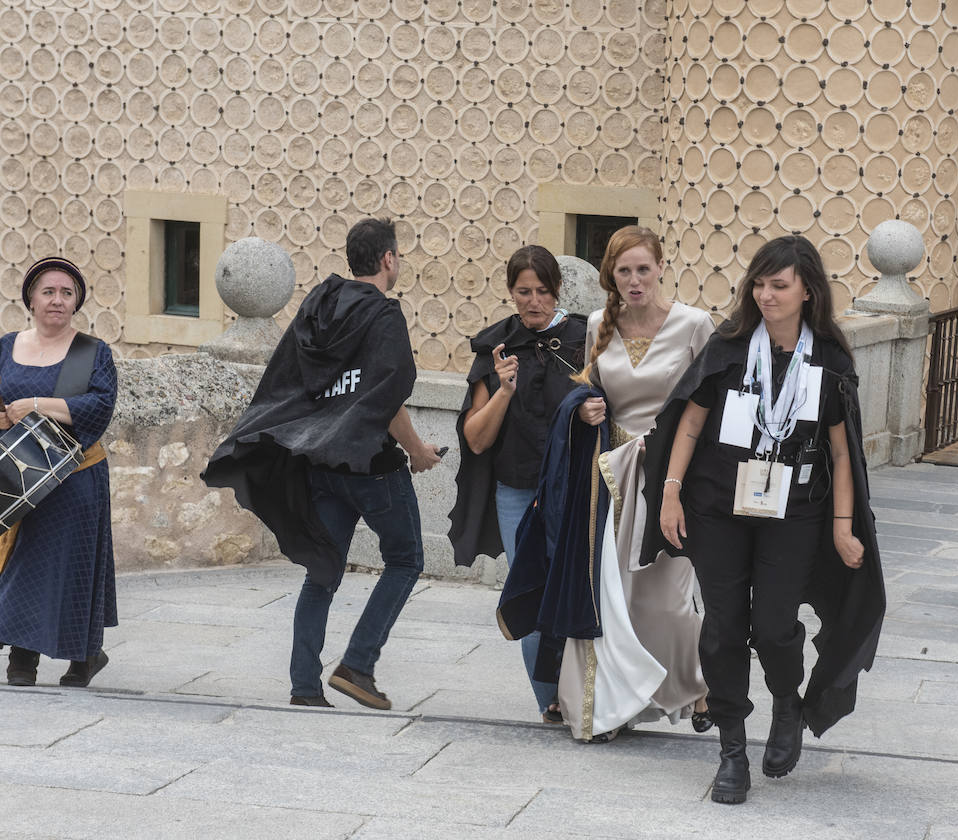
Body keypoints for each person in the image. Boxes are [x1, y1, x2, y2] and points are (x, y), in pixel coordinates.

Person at [644, 235, 887, 804]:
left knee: (775, 624)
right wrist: (671, 494)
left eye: (779, 285)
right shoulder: (728, 347)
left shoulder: (828, 359)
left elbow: (844, 451)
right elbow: (688, 423)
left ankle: (786, 701)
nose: (766, 294)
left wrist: (843, 526)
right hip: (716, 507)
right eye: (760, 283)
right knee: (723, 625)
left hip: (795, 511)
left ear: (808, 291)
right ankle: (732, 748)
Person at [203, 219, 442, 709]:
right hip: (371, 465)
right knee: (405, 560)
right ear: (389, 260)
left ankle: (305, 686)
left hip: (318, 463)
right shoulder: (383, 315)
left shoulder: (319, 305)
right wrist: (417, 451)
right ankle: (358, 664)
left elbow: (292, 379)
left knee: (323, 570)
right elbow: (384, 395)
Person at [499, 225, 714, 741]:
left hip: (669, 480)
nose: (635, 281)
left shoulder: (695, 325)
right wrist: (587, 407)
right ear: (610, 277)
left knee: (668, 599)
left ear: (661, 267)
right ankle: (607, 710)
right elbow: (585, 394)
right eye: (624, 272)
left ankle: (692, 685)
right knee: (609, 599)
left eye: (643, 269)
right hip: (610, 480)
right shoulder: (597, 322)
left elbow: (712, 404)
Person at [448, 245, 587, 722]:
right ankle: (549, 699)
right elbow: (477, 439)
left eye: (542, 292)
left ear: (557, 291)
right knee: (529, 589)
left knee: (580, 590)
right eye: (523, 292)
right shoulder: (497, 348)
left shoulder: (585, 340)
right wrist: (504, 390)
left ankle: (587, 694)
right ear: (510, 292)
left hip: (577, 488)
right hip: (517, 491)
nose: (533, 302)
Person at [0, 257, 117, 687]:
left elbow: (99, 407)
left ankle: (84, 656)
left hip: (74, 477)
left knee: (71, 566)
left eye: (67, 293)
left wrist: (35, 405)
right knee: (20, 561)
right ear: (31, 298)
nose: (57, 300)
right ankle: (22, 655)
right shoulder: (4, 347)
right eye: (48, 291)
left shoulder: (93, 352)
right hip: (15, 480)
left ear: (77, 302)